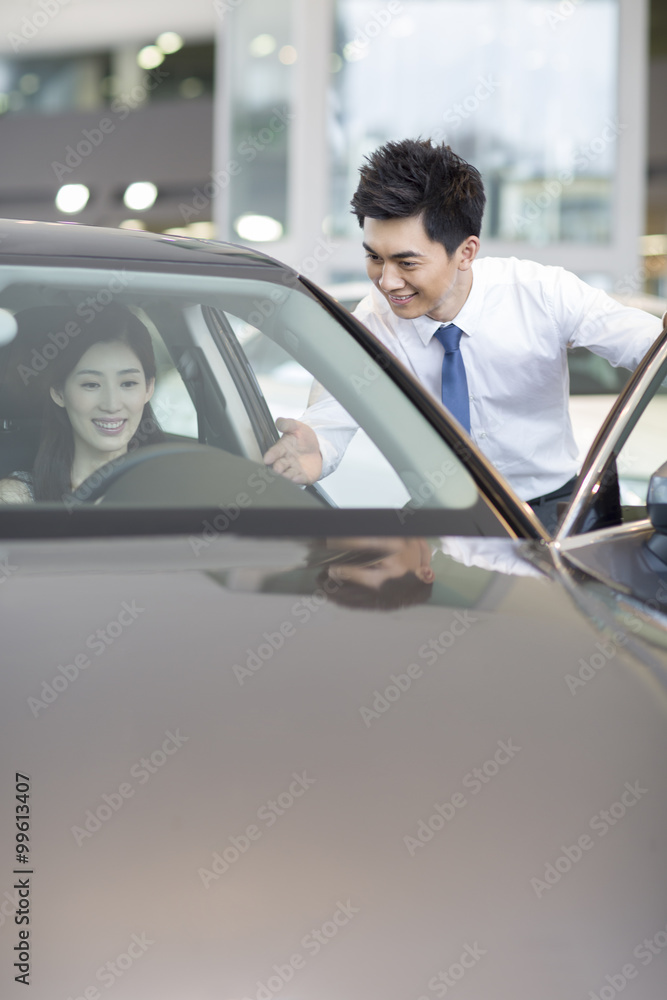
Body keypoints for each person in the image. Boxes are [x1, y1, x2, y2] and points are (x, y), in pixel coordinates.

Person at [263, 138, 663, 531]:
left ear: (466, 252)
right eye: (374, 257)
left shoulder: (541, 293)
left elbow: (644, 344)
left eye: (406, 262)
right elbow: (330, 417)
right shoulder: (371, 322)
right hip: (439, 521)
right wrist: (315, 445)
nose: (386, 281)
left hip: (551, 515)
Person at [0, 304, 162, 503]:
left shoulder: (177, 489)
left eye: (128, 383)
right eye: (91, 384)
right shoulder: (17, 499)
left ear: (148, 388)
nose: (111, 405)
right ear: (59, 393)